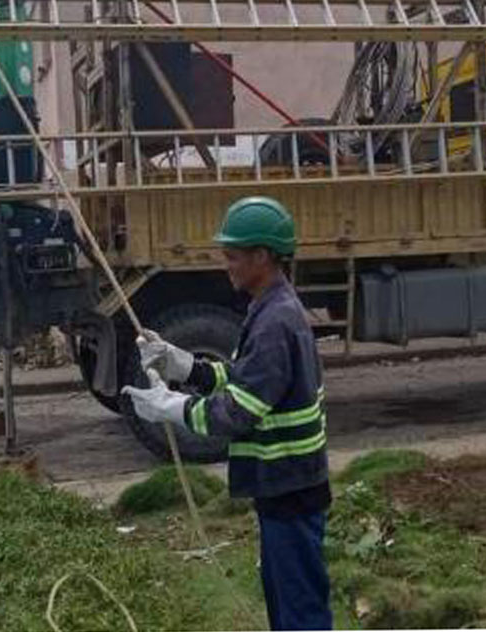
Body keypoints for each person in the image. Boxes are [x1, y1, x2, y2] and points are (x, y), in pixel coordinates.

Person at [123, 196, 332, 631]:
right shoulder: (270, 308)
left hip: (289, 486)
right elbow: (245, 377)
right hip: (286, 485)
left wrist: (173, 409)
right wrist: (186, 367)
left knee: (300, 612)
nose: (226, 264)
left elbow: (239, 412)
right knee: (285, 602)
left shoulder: (276, 322)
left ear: (262, 256)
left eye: (233, 255)